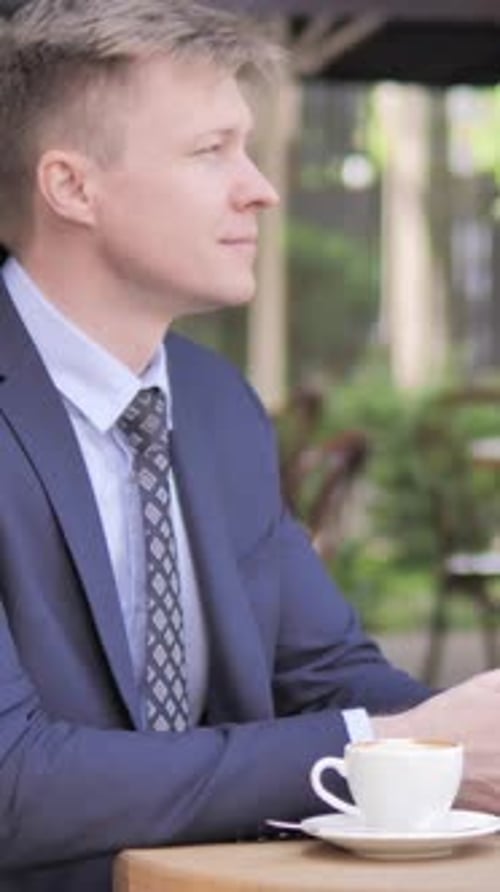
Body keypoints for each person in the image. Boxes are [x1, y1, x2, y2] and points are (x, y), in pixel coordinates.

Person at [0, 2, 498, 891]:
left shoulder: (214, 402)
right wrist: (378, 748)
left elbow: (329, 677)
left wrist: (464, 729)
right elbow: (14, 783)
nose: (261, 186)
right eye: (211, 150)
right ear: (72, 186)